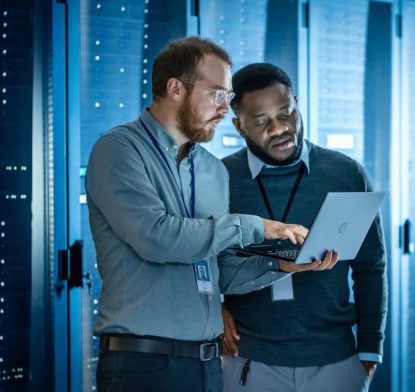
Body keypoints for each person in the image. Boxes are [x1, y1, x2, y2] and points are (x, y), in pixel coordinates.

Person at [85, 38, 337, 392]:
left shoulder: (211, 170)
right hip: (143, 364)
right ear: (175, 88)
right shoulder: (119, 150)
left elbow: (218, 271)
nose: (226, 109)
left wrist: (281, 266)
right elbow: (157, 239)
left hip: (206, 365)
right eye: (217, 93)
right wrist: (256, 226)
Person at [220, 63, 388, 392]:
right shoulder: (220, 180)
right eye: (262, 122)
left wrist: (369, 353)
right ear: (239, 127)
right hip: (250, 364)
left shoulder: (345, 173)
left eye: (286, 113)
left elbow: (371, 267)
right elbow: (202, 262)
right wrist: (215, 308)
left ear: (296, 103)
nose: (280, 128)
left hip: (336, 363)